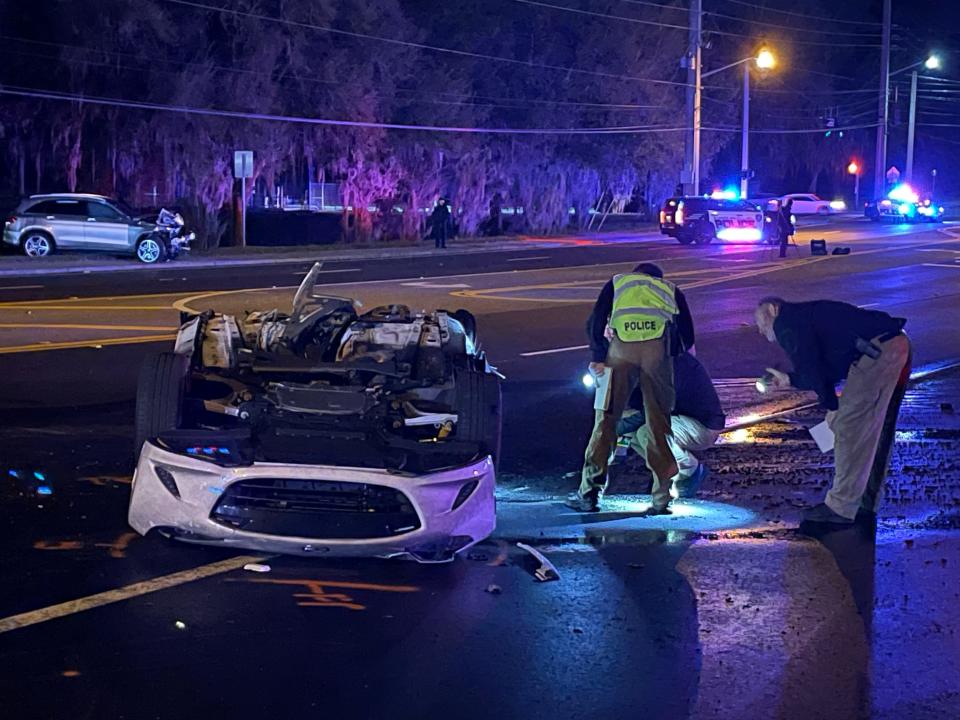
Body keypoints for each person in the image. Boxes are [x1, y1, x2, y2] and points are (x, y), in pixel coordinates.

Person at [754, 297, 911, 524]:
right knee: (873, 430)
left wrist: (832, 409)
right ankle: (865, 502)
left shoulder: (787, 322)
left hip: (878, 353)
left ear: (773, 309)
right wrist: (790, 379)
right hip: (890, 345)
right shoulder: (805, 315)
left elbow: (814, 371)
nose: (761, 330)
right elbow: (822, 367)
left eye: (761, 322)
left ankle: (841, 507)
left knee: (849, 427)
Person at [565, 263, 695, 514]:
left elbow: (595, 320)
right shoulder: (670, 289)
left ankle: (589, 493)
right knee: (659, 425)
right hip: (657, 352)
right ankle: (661, 499)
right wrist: (670, 356)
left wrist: (599, 354)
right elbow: (687, 335)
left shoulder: (618, 284)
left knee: (606, 420)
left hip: (620, 351)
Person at [617, 351, 725, 499]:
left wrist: (617, 430)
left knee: (648, 433)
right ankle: (665, 474)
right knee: (635, 433)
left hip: (703, 426)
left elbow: (654, 411)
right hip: (679, 418)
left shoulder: (670, 365)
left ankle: (689, 471)